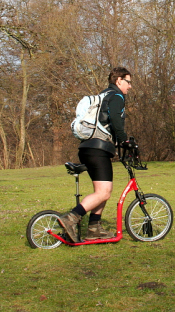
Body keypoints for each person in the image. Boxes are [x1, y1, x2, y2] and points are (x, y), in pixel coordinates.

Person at [58, 67, 133, 242]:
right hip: (98, 149)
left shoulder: (103, 96)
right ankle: (71, 218)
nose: (130, 86)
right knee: (104, 192)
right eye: (128, 82)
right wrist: (123, 140)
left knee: (101, 191)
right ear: (119, 81)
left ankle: (94, 228)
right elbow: (114, 118)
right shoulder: (116, 97)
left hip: (87, 148)